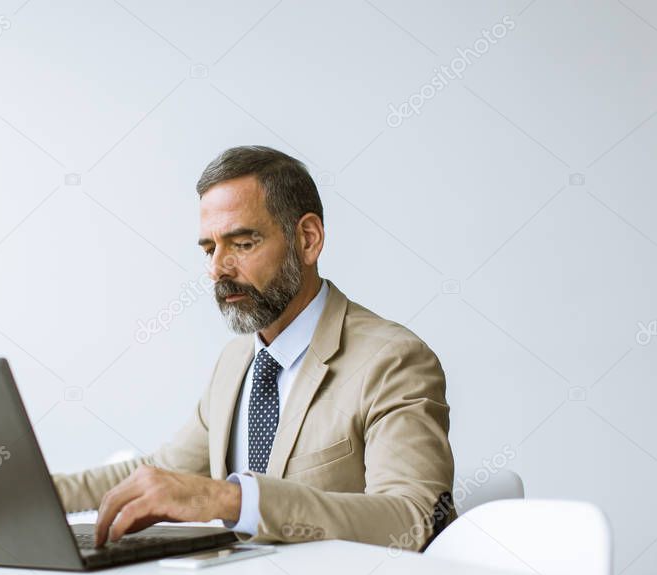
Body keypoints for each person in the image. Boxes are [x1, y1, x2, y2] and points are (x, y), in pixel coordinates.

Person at [52, 145, 455, 552]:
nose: (217, 269)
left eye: (242, 244)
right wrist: (25, 493)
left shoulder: (391, 360)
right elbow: (157, 474)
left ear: (308, 240)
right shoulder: (236, 361)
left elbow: (413, 517)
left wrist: (230, 499)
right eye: (209, 249)